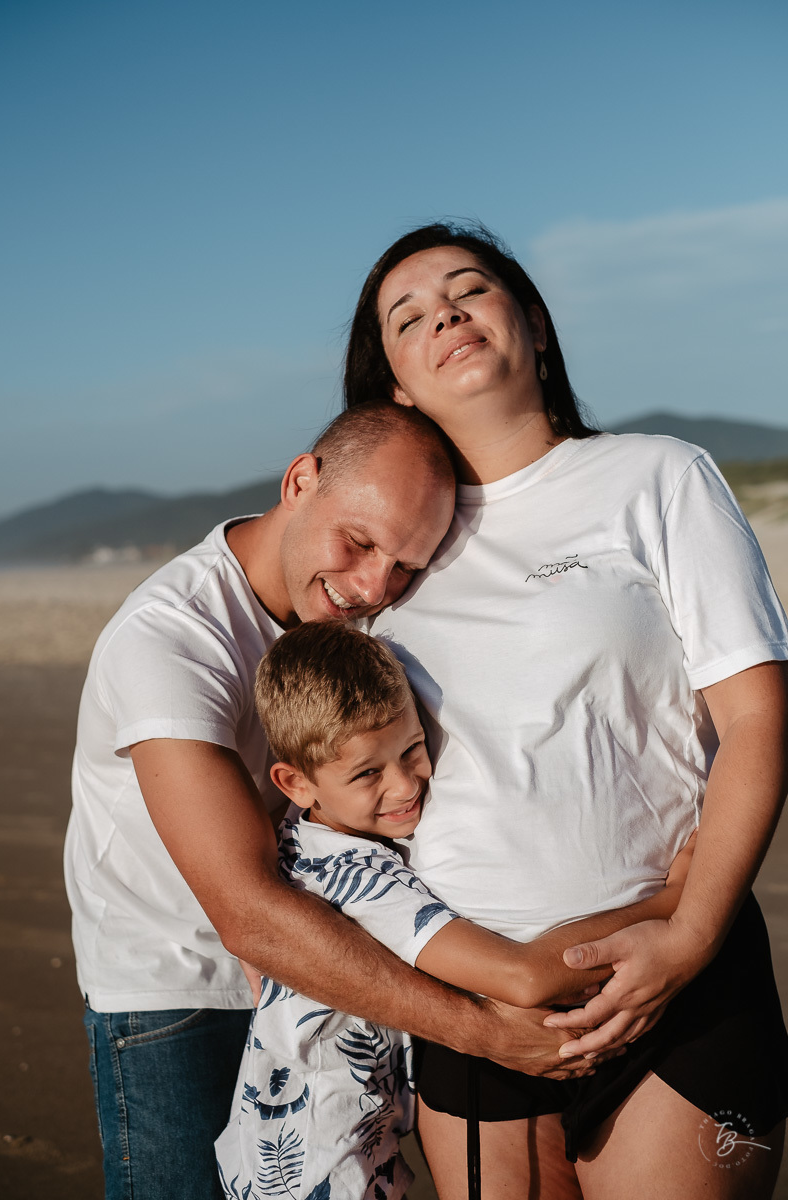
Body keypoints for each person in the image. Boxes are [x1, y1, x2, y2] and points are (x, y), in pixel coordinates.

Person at [344, 222, 788, 1199]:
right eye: (408, 317)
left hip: (675, 977)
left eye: (469, 290)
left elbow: (758, 720)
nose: (445, 314)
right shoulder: (384, 564)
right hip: (474, 1012)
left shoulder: (656, 477)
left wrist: (688, 938)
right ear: (398, 387)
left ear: (533, 325)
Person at [66, 400, 601, 1200]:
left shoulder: (362, 622)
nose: (371, 586)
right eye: (358, 542)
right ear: (300, 481)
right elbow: (247, 912)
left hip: (324, 974)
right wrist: (487, 1033)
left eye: (406, 567)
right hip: (175, 992)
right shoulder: (171, 638)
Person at [216, 620, 695, 1200]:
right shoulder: (360, 882)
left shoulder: (305, 837)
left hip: (305, 1141)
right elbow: (526, 977)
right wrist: (674, 901)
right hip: (315, 1161)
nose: (404, 785)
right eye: (367, 773)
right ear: (295, 782)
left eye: (413, 750)